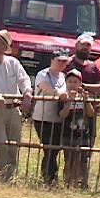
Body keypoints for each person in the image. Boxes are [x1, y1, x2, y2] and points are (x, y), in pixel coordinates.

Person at [0, 29, 33, 183]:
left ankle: (11, 178)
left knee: (14, 145)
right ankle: (1, 178)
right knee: (1, 144)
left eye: (0, 44)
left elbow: (24, 79)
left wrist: (27, 93)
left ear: (5, 47)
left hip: (14, 109)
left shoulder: (14, 62)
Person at [63, 33, 100, 188]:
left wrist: (82, 87)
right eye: (83, 45)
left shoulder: (95, 67)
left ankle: (82, 182)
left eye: (88, 45)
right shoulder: (68, 64)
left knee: (86, 151)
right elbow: (63, 83)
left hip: (89, 114)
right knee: (69, 151)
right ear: (76, 45)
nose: (85, 48)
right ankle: (68, 181)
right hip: (71, 114)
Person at [33, 51, 72, 186]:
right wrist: (59, 94)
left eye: (64, 61)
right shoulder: (43, 74)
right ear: (52, 60)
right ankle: (49, 177)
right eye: (59, 61)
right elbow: (45, 88)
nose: (62, 64)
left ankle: (50, 177)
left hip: (58, 118)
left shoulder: (63, 76)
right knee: (49, 147)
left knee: (54, 149)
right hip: (42, 117)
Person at [60, 69, 95, 189]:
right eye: (69, 81)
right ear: (66, 83)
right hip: (67, 134)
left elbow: (91, 113)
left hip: (83, 134)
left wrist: (87, 100)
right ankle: (68, 183)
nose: (72, 84)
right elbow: (62, 114)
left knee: (83, 161)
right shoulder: (63, 97)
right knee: (69, 160)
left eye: (75, 81)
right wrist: (69, 100)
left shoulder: (85, 96)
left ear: (80, 83)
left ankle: (82, 184)